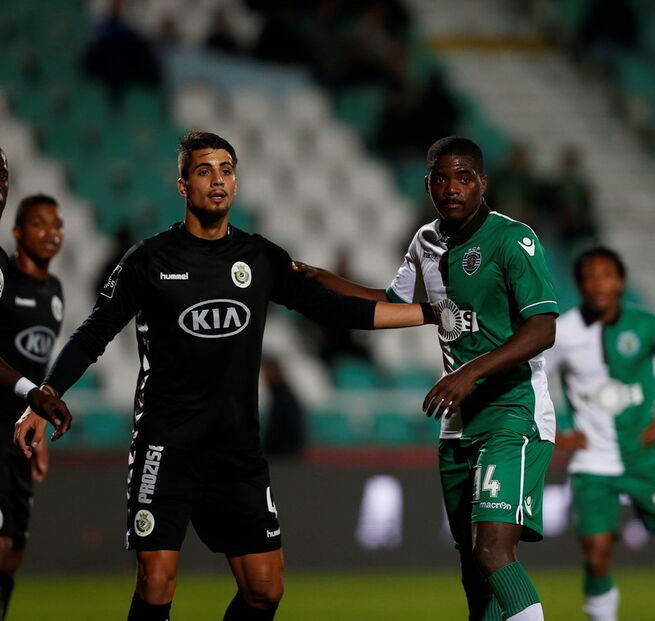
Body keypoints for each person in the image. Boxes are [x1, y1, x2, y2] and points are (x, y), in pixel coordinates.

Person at [14, 131, 433, 621]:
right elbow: (92, 334)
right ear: (183, 185)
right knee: (155, 579)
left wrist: (431, 313)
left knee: (265, 589)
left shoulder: (259, 257)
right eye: (204, 170)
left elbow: (337, 310)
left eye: (226, 170)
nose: (217, 180)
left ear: (235, 183)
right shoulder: (149, 260)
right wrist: (45, 395)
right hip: (166, 443)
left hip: (236, 448)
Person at [294, 136, 559, 620]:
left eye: (463, 178)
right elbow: (391, 305)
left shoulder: (512, 239)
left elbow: (543, 329)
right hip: (458, 425)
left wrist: (470, 372)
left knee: (492, 551)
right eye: (441, 178)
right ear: (427, 184)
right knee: (473, 567)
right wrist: (324, 280)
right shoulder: (426, 242)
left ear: (483, 183)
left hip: (513, 411)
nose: (451, 187)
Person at [545, 246, 655, 621]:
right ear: (578, 284)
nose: (599, 284)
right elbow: (530, 380)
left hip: (645, 457)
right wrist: (556, 434)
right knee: (596, 555)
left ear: (621, 282)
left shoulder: (646, 324)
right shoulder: (562, 332)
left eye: (607, 275)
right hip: (592, 462)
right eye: (590, 277)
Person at [0, 193, 64, 618]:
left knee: (13, 553)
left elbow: (41, 365)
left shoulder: (54, 291)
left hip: (21, 434)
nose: (51, 232)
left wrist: (37, 425)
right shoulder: (4, 278)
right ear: (17, 232)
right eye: (39, 224)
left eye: (56, 225)